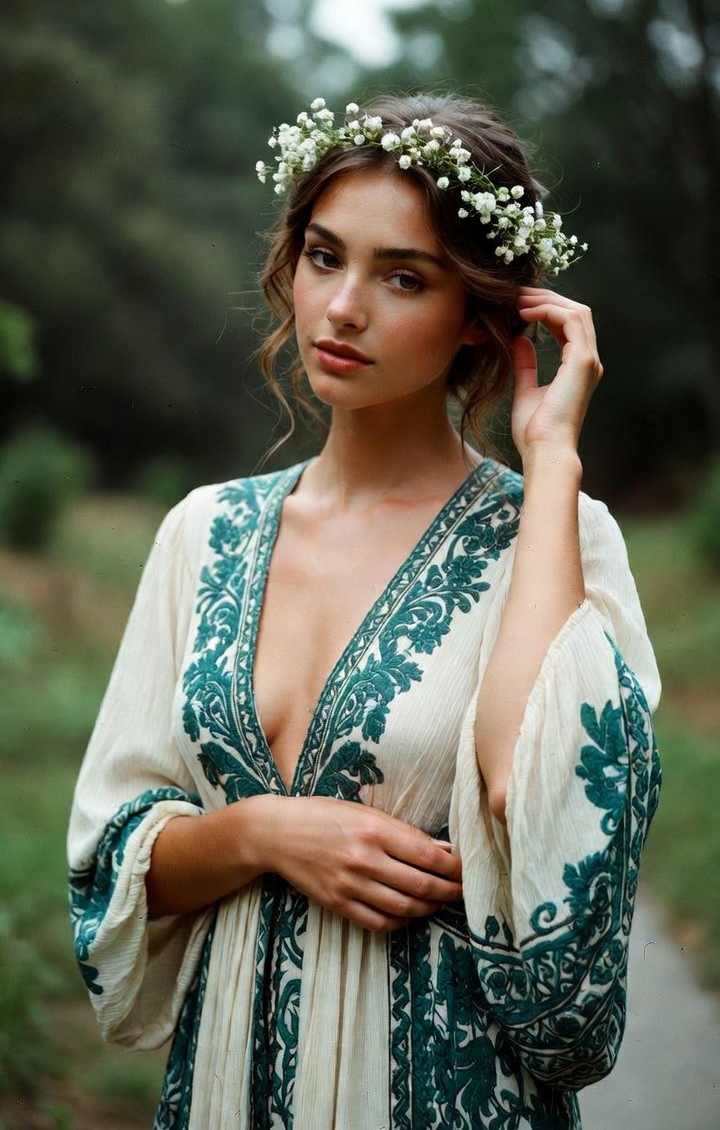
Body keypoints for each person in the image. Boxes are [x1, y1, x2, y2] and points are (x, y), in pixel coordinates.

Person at [68, 94, 661, 1130]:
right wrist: (261, 831)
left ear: (484, 313)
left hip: (448, 1092)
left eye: (402, 276)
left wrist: (553, 457)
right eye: (324, 255)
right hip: (221, 1084)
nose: (341, 308)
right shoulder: (201, 534)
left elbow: (549, 825)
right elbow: (111, 860)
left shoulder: (561, 534)